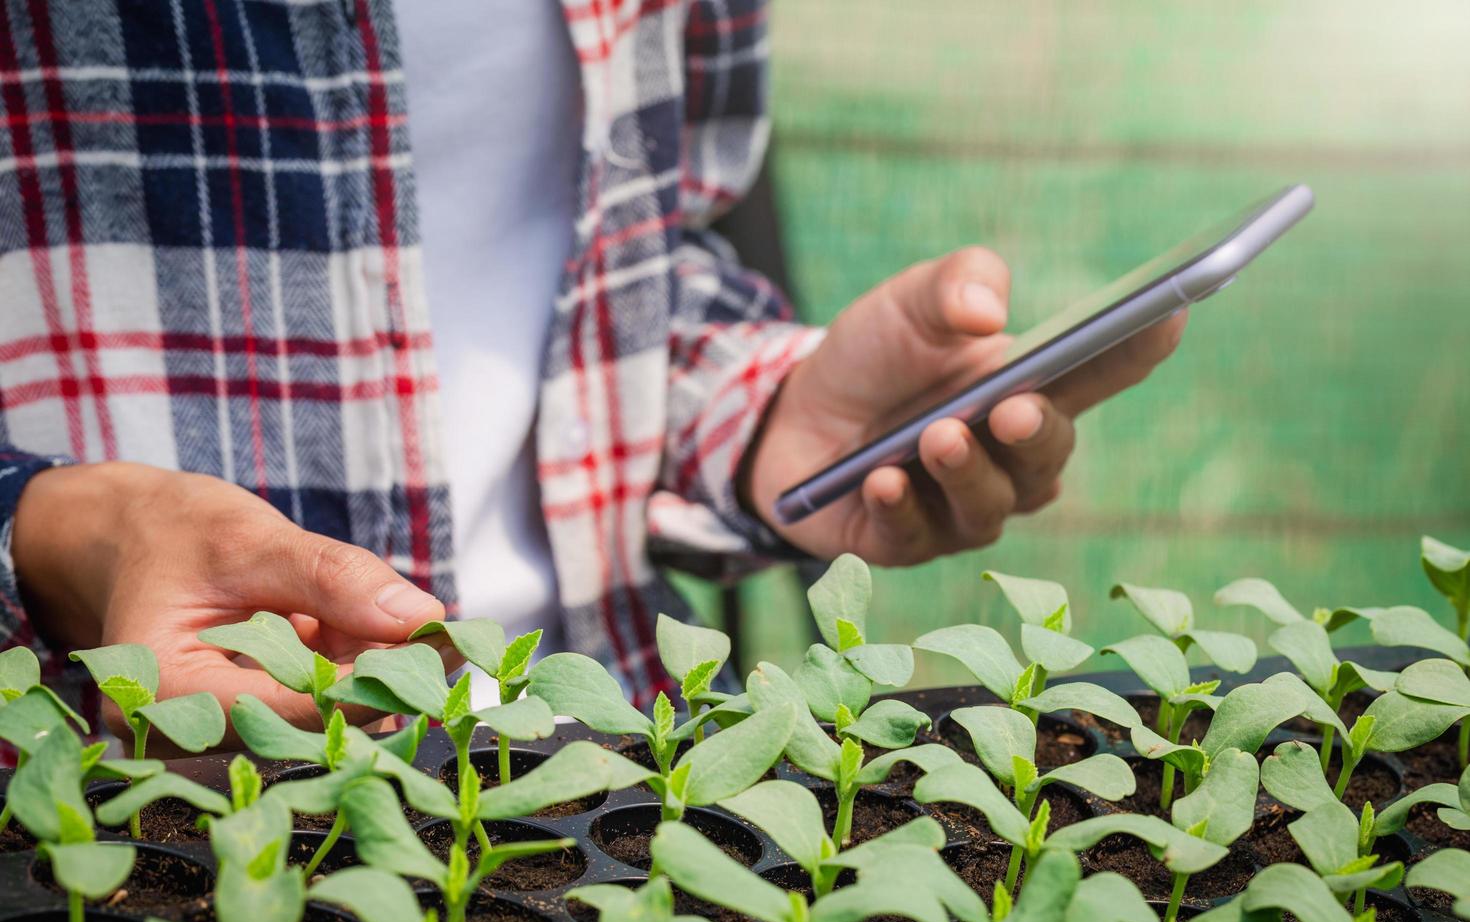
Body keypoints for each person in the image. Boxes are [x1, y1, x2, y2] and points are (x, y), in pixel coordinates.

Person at [0, 0, 1183, 744]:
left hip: (599, 763)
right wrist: (57, 534)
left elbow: (632, 262)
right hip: (106, 805)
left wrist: (765, 410)